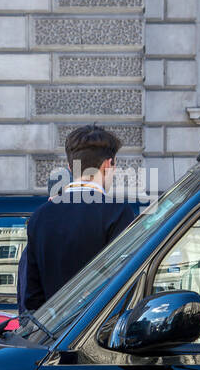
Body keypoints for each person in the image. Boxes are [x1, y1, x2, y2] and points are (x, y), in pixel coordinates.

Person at [22, 125, 137, 312]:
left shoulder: (40, 216)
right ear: (108, 164)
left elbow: (32, 297)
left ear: (70, 167)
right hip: (98, 332)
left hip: (50, 336)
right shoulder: (119, 212)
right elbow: (124, 285)